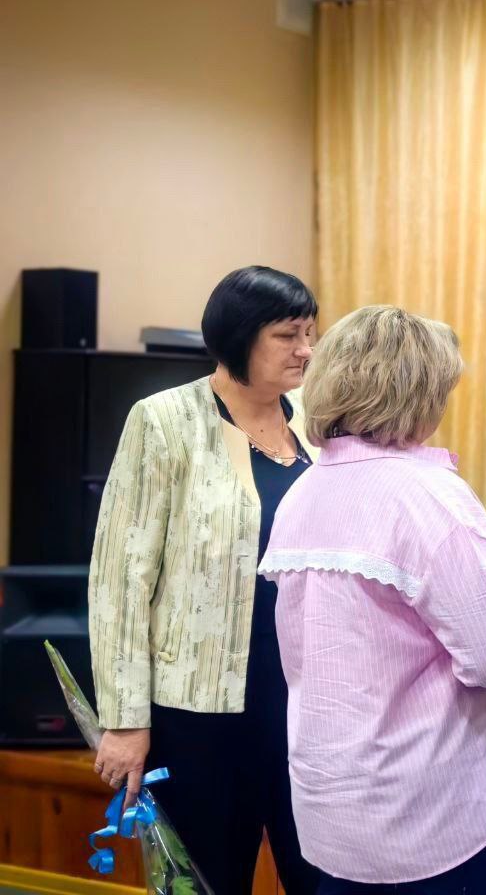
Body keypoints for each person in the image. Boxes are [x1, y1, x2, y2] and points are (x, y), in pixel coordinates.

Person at [260, 306, 486, 895]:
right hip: (430, 816)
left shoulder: (303, 492)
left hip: (332, 806)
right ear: (419, 393)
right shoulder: (430, 496)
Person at [89, 266, 322, 894]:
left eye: (310, 333)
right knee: (205, 881)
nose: (305, 350)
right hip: (199, 711)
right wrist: (125, 719)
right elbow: (120, 579)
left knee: (322, 878)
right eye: (288, 335)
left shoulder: (318, 422)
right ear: (238, 337)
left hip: (309, 702)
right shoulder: (163, 421)